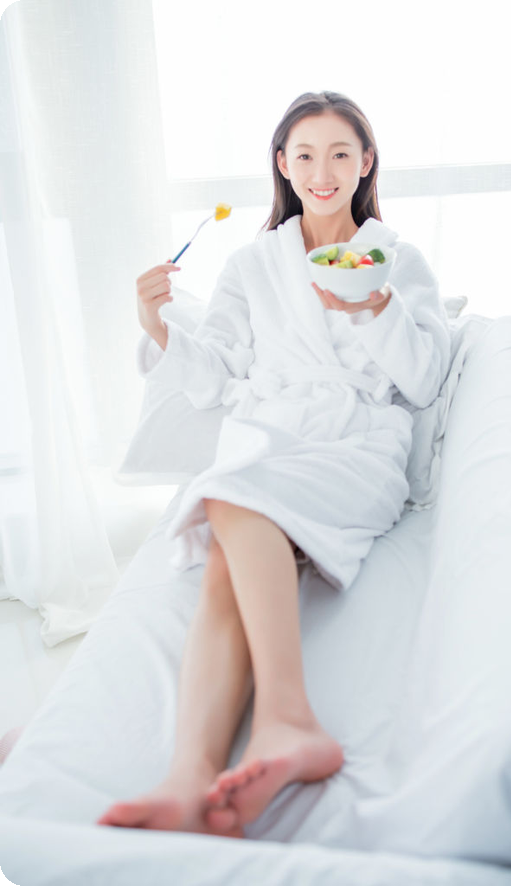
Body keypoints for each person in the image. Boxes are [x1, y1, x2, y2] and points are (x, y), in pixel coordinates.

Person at [96, 91, 451, 838]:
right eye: (305, 155)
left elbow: (422, 381)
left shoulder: (397, 259)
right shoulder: (254, 263)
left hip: (356, 441)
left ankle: (287, 718)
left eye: (340, 154)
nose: (323, 172)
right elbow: (215, 374)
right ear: (283, 165)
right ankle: (188, 777)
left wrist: (374, 306)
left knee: (228, 499)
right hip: (271, 429)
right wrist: (157, 325)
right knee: (226, 549)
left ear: (366, 163)